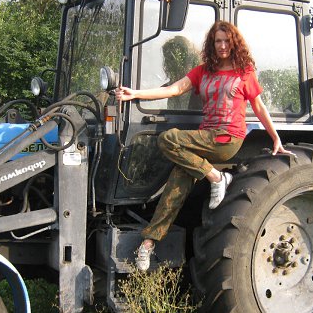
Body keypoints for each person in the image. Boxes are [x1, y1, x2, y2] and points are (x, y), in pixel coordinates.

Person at [115, 21, 291, 271]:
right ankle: (149, 242)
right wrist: (135, 94)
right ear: (212, 44)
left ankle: (217, 178)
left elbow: (259, 106)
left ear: (234, 43)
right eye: (218, 41)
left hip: (228, 138)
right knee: (177, 182)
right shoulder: (202, 71)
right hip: (205, 136)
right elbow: (174, 90)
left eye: (226, 41)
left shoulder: (244, 72)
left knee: (167, 138)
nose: (222, 46)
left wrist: (275, 137)